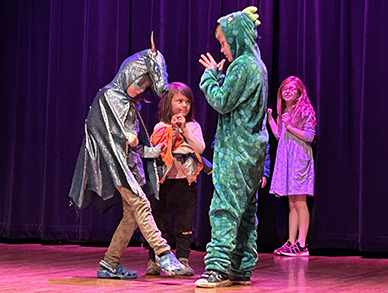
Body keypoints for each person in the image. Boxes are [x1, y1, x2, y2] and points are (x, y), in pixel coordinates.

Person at [68, 36, 185, 278]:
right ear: (128, 73)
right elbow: (100, 131)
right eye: (139, 83)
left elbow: (135, 145)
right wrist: (124, 137)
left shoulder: (129, 103)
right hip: (116, 168)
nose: (141, 89)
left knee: (131, 216)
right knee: (141, 205)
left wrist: (153, 151)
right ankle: (164, 254)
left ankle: (110, 263)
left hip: (129, 167)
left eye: (145, 86)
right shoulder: (109, 96)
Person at [196, 6, 269, 288]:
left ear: (237, 38)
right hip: (253, 151)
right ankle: (240, 267)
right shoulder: (257, 66)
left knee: (224, 209)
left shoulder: (243, 65)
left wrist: (210, 77)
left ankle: (216, 269)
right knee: (247, 212)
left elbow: (223, 101)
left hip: (236, 151)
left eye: (225, 42)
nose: (223, 50)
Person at [144, 81, 206, 276]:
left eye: (187, 101)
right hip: (164, 183)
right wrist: (172, 130)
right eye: (179, 101)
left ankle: (183, 259)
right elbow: (158, 148)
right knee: (159, 222)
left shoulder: (193, 126)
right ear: (167, 103)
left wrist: (185, 130)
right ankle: (155, 259)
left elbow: (200, 148)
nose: (184, 105)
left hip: (186, 182)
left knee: (184, 223)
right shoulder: (160, 126)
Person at [267, 75, 317, 257]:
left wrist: (289, 126)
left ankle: (302, 244)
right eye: (284, 89)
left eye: (291, 89)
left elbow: (310, 136)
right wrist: (272, 119)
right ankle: (291, 241)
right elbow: (280, 135)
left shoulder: (305, 110)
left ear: (299, 93)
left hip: (299, 158)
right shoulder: (284, 112)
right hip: (285, 158)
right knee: (291, 202)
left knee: (300, 200)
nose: (287, 92)